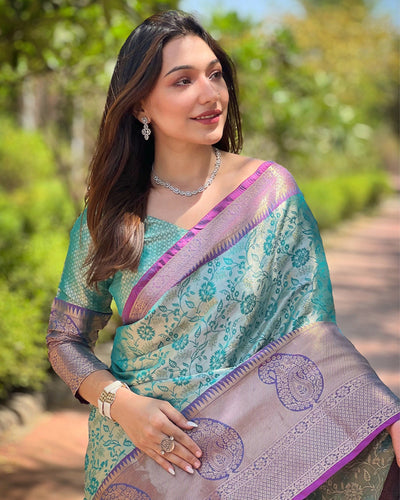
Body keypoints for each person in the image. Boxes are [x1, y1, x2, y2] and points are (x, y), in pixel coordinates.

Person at [47, 10, 400, 500]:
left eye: (215, 74)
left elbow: (314, 335)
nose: (209, 93)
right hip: (141, 457)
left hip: (260, 448)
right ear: (140, 105)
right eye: (183, 81)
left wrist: (383, 411)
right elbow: (65, 340)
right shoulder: (109, 214)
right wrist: (122, 406)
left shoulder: (269, 193)